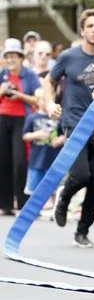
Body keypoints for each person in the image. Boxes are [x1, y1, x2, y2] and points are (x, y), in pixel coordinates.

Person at [43, 9, 94, 248]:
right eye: (90, 26)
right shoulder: (68, 56)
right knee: (81, 175)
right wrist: (50, 103)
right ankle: (64, 197)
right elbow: (49, 80)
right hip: (75, 123)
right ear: (82, 30)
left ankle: (82, 232)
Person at [0, 38, 40, 215]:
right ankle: (5, 204)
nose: (10, 60)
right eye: (8, 56)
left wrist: (19, 95)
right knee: (3, 161)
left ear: (20, 57)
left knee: (19, 161)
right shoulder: (2, 74)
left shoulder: (30, 75)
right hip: (2, 119)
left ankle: (22, 203)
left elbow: (37, 100)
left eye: (14, 56)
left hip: (22, 120)